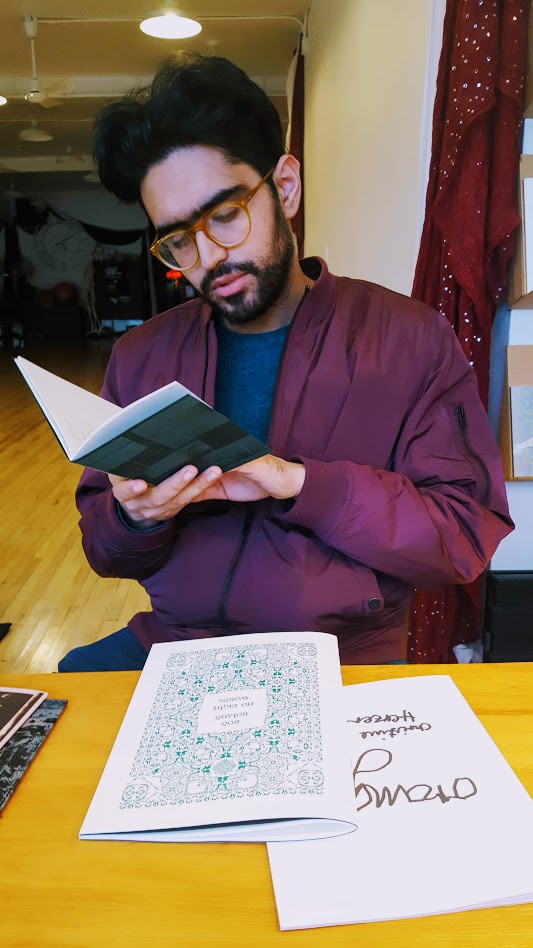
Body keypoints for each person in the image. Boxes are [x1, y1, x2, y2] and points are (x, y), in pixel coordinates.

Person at [59, 53, 513, 673]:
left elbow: (461, 536)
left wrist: (300, 483)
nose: (208, 258)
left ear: (287, 187)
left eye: (225, 216)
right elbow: (106, 552)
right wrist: (132, 518)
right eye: (179, 240)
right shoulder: (142, 357)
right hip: (177, 646)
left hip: (340, 656)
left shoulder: (409, 340)